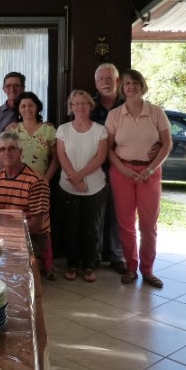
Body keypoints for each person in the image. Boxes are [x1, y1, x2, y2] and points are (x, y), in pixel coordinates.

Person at [105, 69, 172, 288]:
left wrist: (151, 169)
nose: (130, 87)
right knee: (125, 224)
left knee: (148, 225)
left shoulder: (156, 112)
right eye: (126, 84)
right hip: (122, 173)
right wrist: (123, 170)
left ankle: (148, 270)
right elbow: (108, 148)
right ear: (122, 89)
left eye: (135, 83)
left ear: (142, 86)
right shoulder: (115, 115)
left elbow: (167, 144)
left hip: (149, 173)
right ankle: (131, 268)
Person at [55, 90, 108, 282]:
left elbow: (100, 157)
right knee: (71, 229)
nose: (79, 107)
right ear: (70, 107)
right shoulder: (63, 129)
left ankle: (88, 265)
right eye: (75, 104)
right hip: (68, 187)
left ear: (90, 106)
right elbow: (61, 155)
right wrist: (75, 179)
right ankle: (72, 265)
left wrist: (80, 177)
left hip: (94, 187)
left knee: (92, 229)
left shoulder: (100, 130)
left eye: (84, 103)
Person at [0, 131, 52, 275]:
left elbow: (37, 225)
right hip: (6, 232)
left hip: (33, 236)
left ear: (20, 152)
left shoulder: (35, 181)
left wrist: (7, 237)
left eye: (12, 148)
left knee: (6, 256)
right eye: (2, 149)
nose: (7, 153)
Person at [90, 63, 128, 274]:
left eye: (109, 78)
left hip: (120, 166)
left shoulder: (127, 106)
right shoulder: (88, 105)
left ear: (117, 81)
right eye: (101, 79)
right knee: (96, 212)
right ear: (96, 84)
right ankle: (94, 255)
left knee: (117, 212)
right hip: (94, 166)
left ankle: (117, 255)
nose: (105, 82)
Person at [6, 91, 59, 181]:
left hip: (40, 180)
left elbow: (55, 158)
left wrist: (45, 181)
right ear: (18, 109)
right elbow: (7, 156)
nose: (27, 109)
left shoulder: (48, 129)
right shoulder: (13, 130)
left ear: (37, 107)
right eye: (23, 106)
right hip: (16, 181)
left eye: (31, 105)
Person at [0, 72, 25, 168]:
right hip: (1, 160)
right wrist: (4, 134)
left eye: (16, 86)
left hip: (27, 158)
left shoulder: (30, 111)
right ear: (4, 89)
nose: (12, 89)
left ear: (23, 88)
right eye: (8, 86)